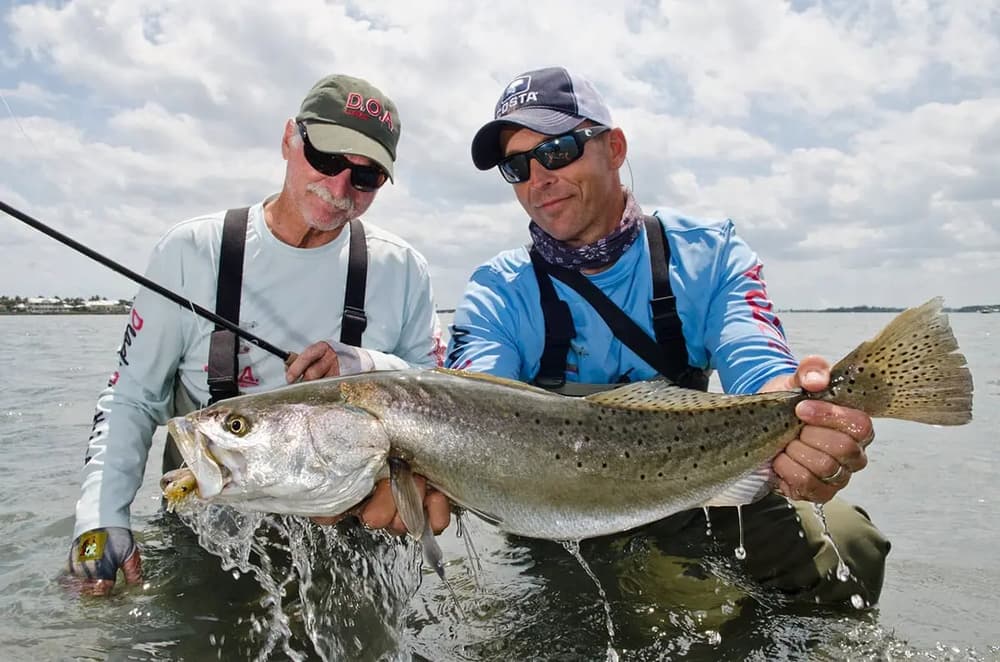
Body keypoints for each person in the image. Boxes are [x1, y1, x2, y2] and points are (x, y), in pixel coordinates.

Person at [444, 66, 890, 606]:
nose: (538, 179)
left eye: (558, 151)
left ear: (614, 148)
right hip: (557, 506)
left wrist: (806, 417)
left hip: (695, 483)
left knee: (852, 543)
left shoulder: (711, 254)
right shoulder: (498, 289)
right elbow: (465, 401)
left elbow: (758, 363)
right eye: (516, 166)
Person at [66, 74, 450, 595]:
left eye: (366, 177)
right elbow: (131, 399)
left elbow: (439, 398)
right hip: (210, 535)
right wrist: (101, 518)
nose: (340, 189)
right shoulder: (189, 252)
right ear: (289, 138)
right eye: (327, 158)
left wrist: (365, 366)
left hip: (358, 536)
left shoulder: (403, 269)